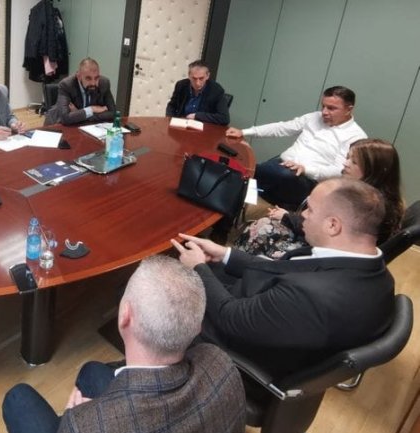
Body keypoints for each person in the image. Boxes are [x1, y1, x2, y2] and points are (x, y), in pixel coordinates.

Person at [171, 177, 395, 378]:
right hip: (265, 311)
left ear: (333, 225)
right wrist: (225, 254)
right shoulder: (373, 270)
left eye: (310, 210)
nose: (302, 215)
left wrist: (198, 268)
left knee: (167, 288)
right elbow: (282, 270)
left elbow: (230, 318)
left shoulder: (309, 295)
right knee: (206, 269)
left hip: (231, 345)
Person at [1, 255, 246, 433]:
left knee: (17, 399)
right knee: (91, 371)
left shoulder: (82, 425)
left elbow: (86, 424)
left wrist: (79, 418)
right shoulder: (220, 362)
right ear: (197, 327)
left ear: (124, 316)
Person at [235, 138, 404, 258]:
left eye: (354, 162)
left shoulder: (367, 206)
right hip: (320, 245)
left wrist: (287, 217)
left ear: (373, 170)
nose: (345, 164)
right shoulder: (369, 195)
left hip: (319, 256)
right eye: (347, 158)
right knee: (263, 224)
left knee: (260, 228)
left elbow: (326, 234)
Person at [226, 86, 367, 209]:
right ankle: (239, 198)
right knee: (241, 179)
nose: (324, 112)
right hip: (280, 166)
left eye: (331, 108)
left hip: (307, 180)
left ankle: (247, 182)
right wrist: (244, 132)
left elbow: (340, 170)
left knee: (249, 175)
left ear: (349, 109)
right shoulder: (314, 117)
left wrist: (305, 169)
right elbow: (282, 128)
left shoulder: (355, 136)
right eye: (323, 106)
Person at [44, 57, 116, 126]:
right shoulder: (66, 85)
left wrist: (80, 113)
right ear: (79, 76)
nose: (93, 83)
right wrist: (91, 109)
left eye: (96, 78)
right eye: (88, 78)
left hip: (86, 126)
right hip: (56, 125)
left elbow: (113, 113)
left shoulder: (104, 83)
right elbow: (65, 118)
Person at [166, 60, 230, 125]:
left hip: (204, 127)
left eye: (201, 78)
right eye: (194, 78)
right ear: (189, 76)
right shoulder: (181, 85)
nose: (197, 83)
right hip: (182, 124)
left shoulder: (216, 90)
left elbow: (224, 118)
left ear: (207, 76)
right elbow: (171, 106)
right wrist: (171, 120)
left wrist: (197, 116)